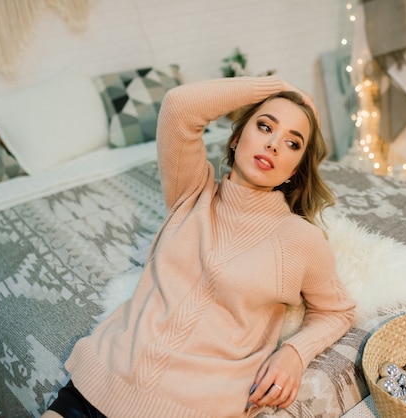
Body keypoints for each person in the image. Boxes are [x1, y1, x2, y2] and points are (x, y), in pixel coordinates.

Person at [42, 76, 356, 418]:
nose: (274, 145)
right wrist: (278, 85)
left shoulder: (299, 239)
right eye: (265, 127)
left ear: (292, 172)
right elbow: (179, 105)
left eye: (293, 144)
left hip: (195, 409)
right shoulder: (192, 192)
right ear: (235, 139)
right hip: (99, 383)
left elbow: (337, 310)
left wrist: (295, 352)